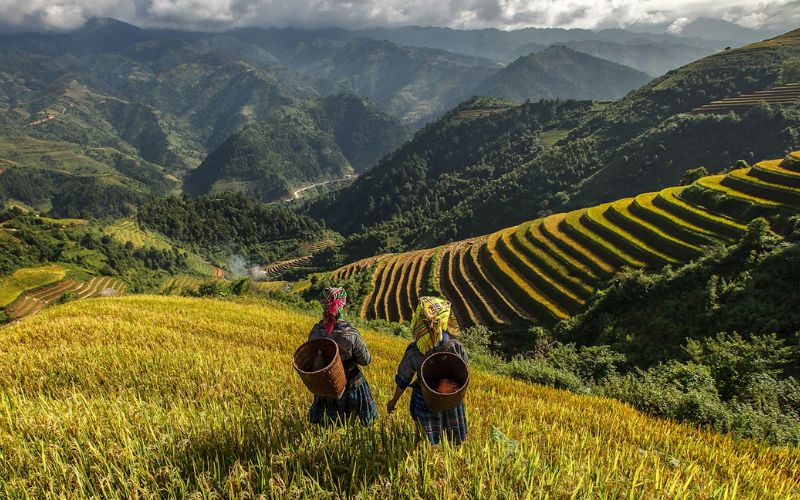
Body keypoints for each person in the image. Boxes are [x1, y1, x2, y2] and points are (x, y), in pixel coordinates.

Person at [386, 296, 468, 446]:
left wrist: (393, 401)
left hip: (426, 399)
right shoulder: (455, 346)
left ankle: (427, 455)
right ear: (442, 322)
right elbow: (464, 373)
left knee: (427, 441)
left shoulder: (414, 352)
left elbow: (403, 380)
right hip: (451, 399)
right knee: (454, 440)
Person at [307, 287, 378, 426]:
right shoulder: (350, 335)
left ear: (323, 306)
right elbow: (366, 360)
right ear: (343, 307)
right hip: (351, 384)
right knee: (357, 426)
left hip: (327, 385)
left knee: (328, 427)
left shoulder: (314, 333)